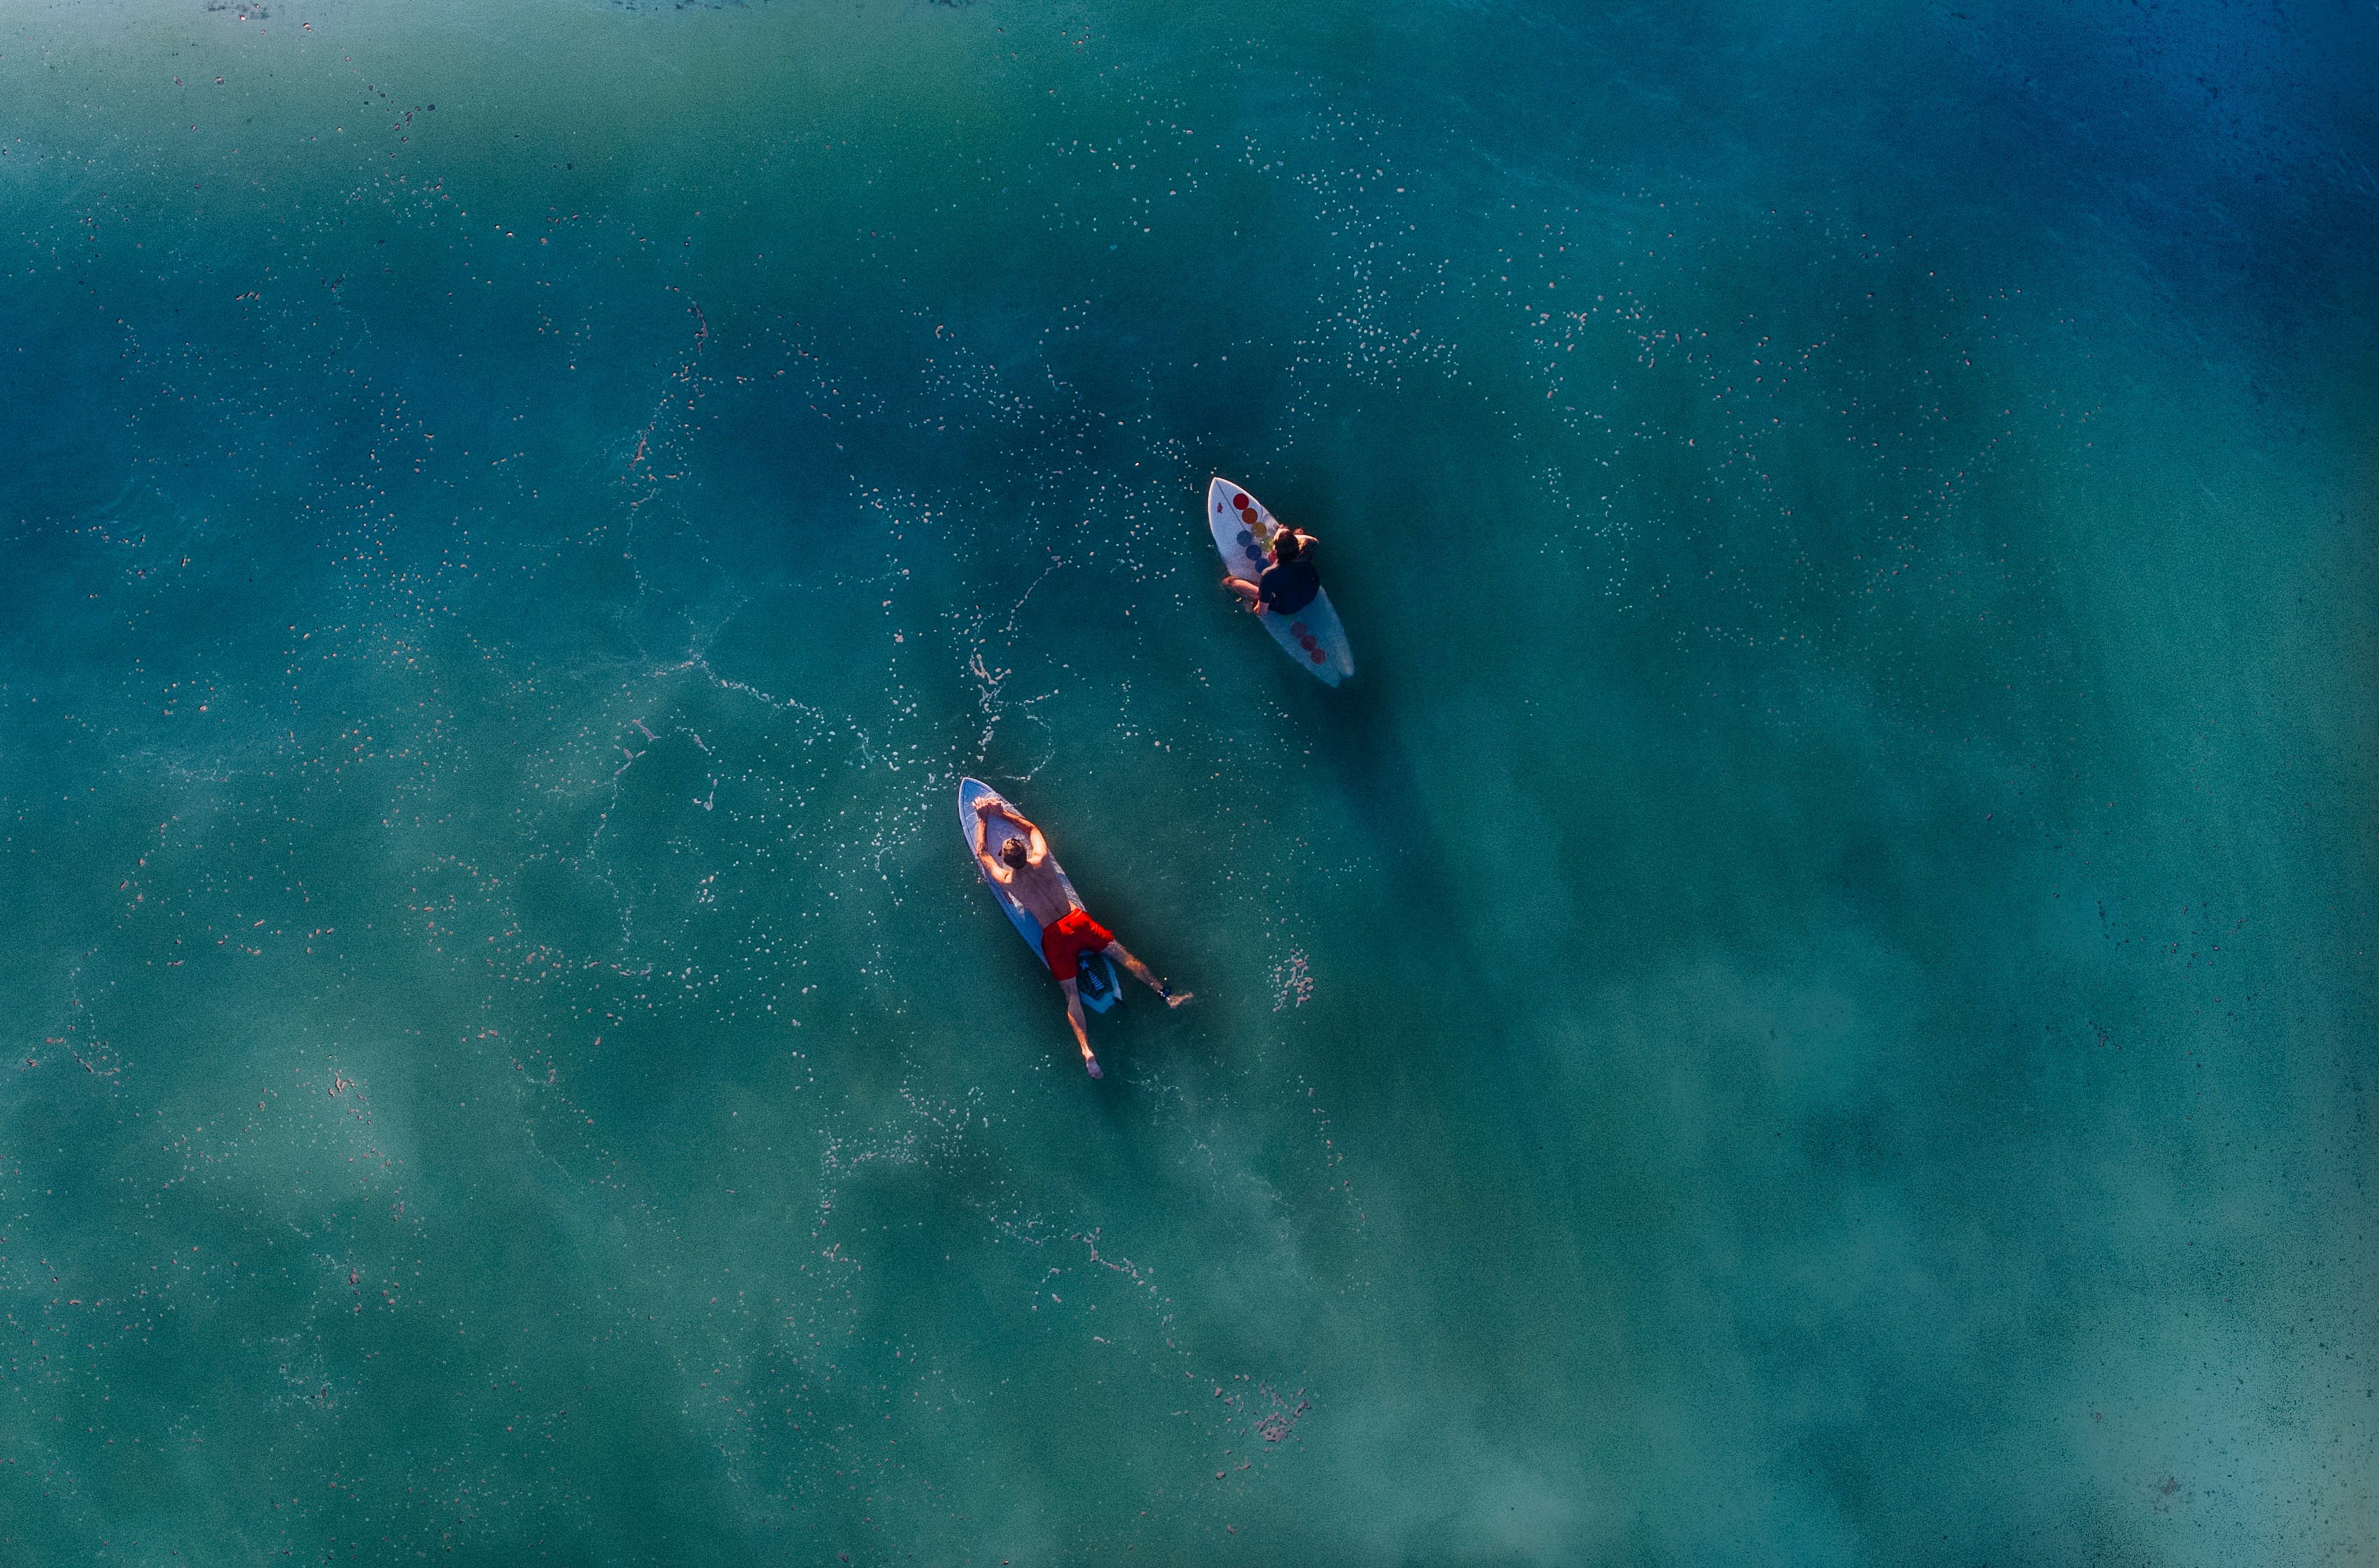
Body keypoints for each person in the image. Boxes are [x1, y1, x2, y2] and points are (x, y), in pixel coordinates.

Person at [973, 794, 1191, 1078]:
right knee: (1123, 956)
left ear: (1008, 861)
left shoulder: (1008, 880)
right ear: (1025, 853)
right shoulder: (1041, 860)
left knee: (1071, 993)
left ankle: (1087, 1051)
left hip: (1053, 935)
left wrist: (983, 818)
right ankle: (1165, 995)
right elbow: (1032, 829)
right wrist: (1003, 814)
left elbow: (982, 854)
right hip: (1078, 922)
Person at [1222, 523, 1321, 617]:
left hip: (1287, 607)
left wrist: (1254, 608)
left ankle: (1232, 584)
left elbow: (1262, 612)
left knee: (1230, 582)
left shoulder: (1270, 575)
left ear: (1275, 549)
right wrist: (1288, 536)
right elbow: (1315, 540)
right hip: (1312, 592)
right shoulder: (1308, 547)